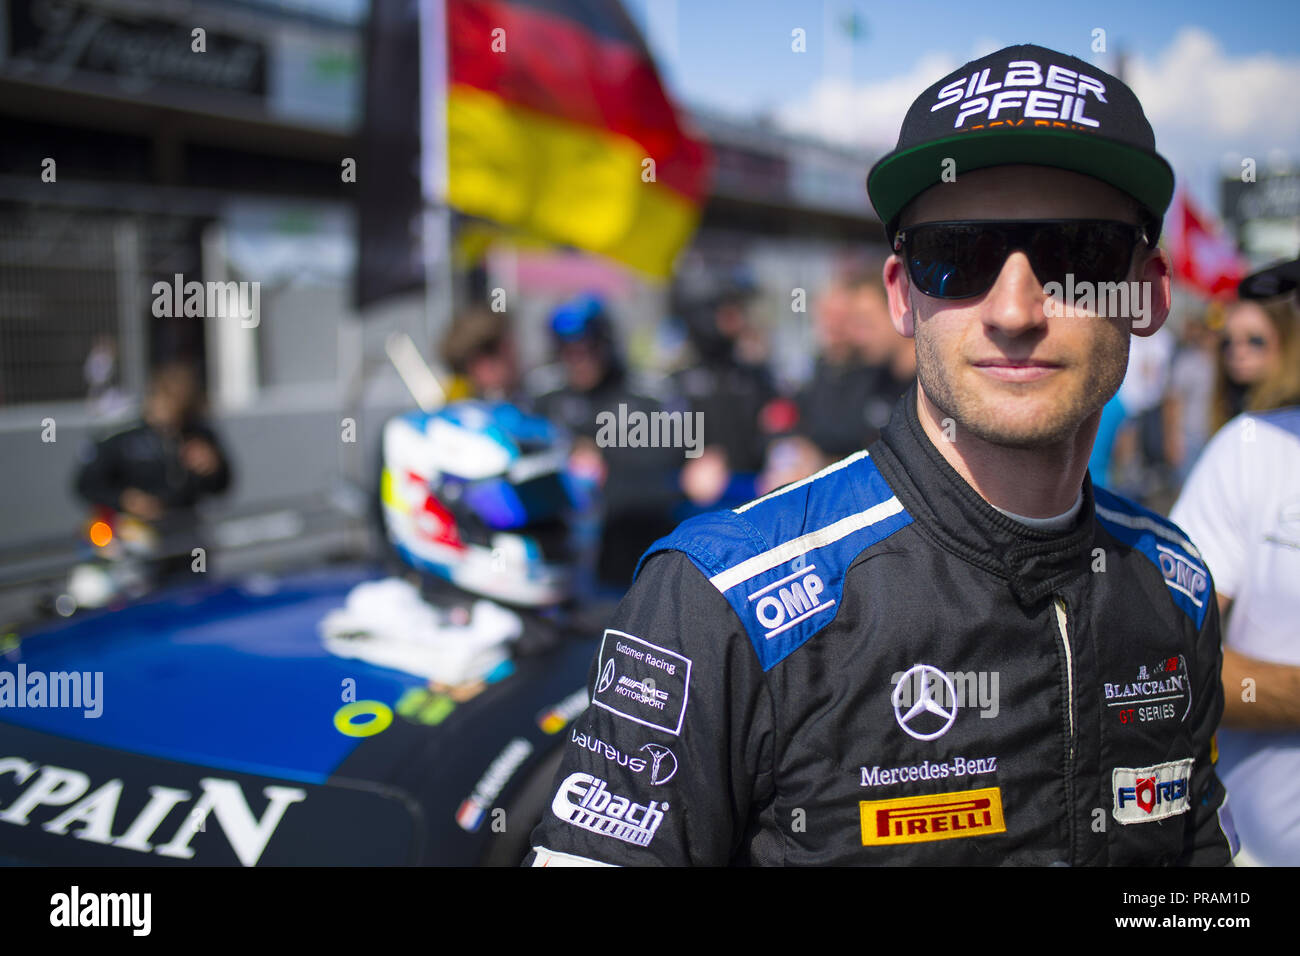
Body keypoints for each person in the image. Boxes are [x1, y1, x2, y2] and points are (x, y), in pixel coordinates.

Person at [526, 45, 1236, 866]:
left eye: (1077, 254)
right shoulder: (715, 603)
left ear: (1146, 293)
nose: (1013, 309)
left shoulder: (1175, 584)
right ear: (904, 295)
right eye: (959, 256)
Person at [1171, 261, 1300, 867]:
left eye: (1256, 342)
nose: (1240, 358)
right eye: (1232, 343)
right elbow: (1170, 661)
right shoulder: (1251, 452)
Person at [530, 294, 684, 591]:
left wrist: (606, 458)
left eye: (588, 349)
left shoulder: (646, 394)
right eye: (568, 351)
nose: (579, 360)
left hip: (634, 551)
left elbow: (673, 462)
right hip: (562, 559)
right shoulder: (543, 395)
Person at [74, 361, 232, 582]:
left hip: (185, 535)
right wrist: (126, 499)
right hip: (132, 537)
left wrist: (214, 466)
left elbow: (222, 486)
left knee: (192, 594)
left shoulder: (198, 435)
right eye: (167, 400)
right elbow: (86, 484)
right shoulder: (122, 437)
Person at [1209, 296, 1300, 433]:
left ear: (1285, 341)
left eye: (1255, 340)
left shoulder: (1292, 409)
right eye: (1227, 341)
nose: (1238, 352)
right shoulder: (1231, 403)